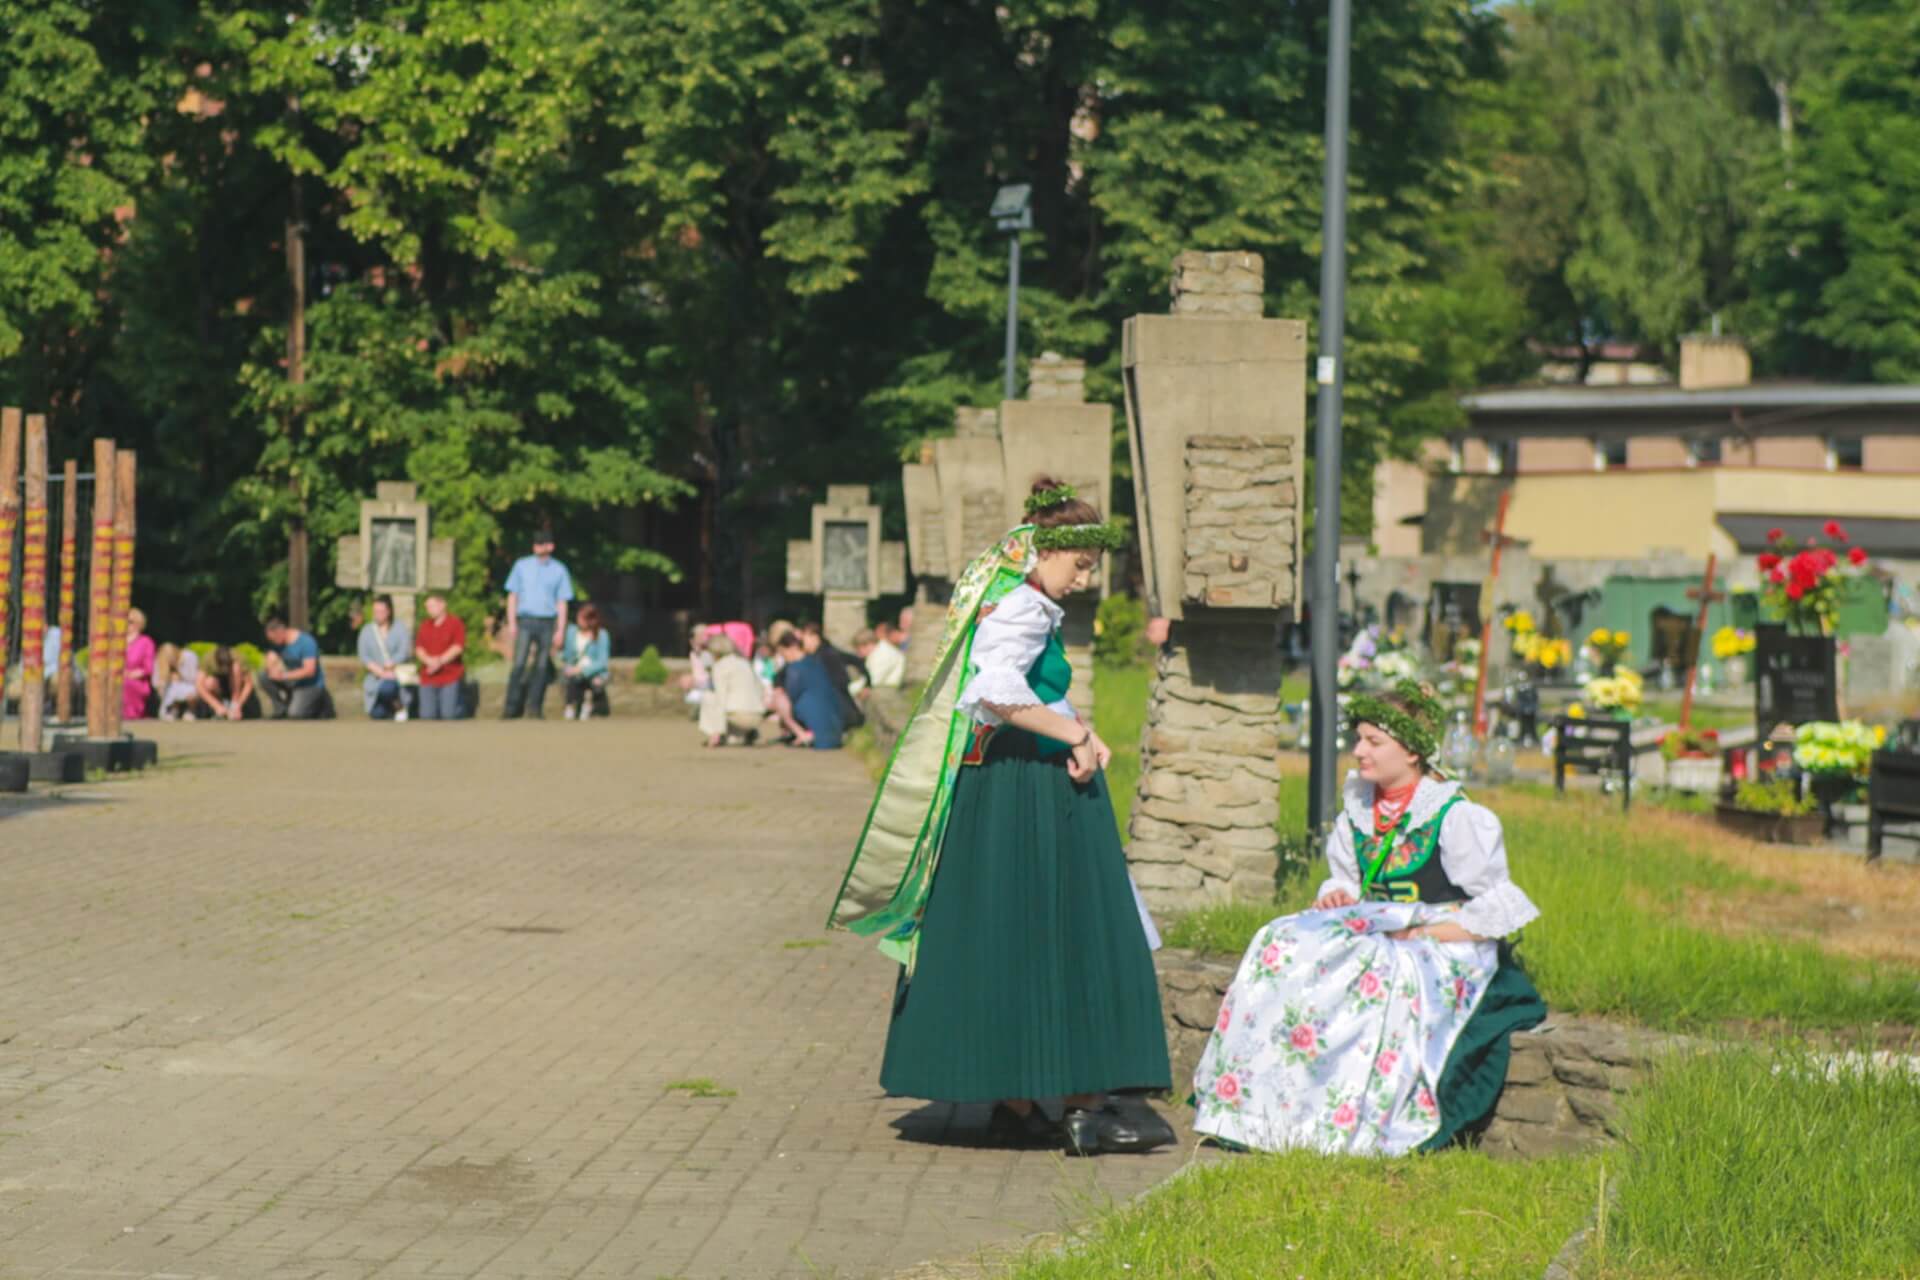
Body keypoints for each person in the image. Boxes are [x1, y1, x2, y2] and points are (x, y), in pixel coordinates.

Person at [828, 477, 1171, 1156]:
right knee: (1067, 927)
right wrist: (1069, 736)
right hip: (1027, 790)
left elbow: (1025, 691)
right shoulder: (1023, 606)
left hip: (1006, 782)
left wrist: (1082, 730)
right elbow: (994, 691)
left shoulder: (1011, 598)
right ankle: (1081, 1101)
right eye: (1079, 566)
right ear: (1045, 554)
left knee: (1014, 927)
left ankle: (1019, 1102)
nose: (1083, 580)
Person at [1189, 680, 1547, 1156]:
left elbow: (1496, 910)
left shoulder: (1455, 817)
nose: (1358, 751)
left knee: (1381, 972)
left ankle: (1353, 1116)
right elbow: (1348, 880)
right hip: (1380, 927)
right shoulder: (1360, 805)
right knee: (1280, 941)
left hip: (1443, 938)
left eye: (1374, 742)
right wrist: (1338, 896)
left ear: (1413, 752)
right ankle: (1265, 1105)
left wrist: (1420, 932)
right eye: (1357, 738)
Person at [501, 530, 573, 719]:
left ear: (551, 546)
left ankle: (535, 708)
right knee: (518, 664)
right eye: (536, 543)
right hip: (525, 620)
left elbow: (562, 601)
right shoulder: (521, 566)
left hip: (547, 621)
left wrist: (561, 629)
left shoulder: (559, 570)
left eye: (543, 543)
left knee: (541, 667)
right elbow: (512, 596)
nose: (539, 547)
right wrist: (512, 623)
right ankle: (511, 708)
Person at [769, 631, 844, 748]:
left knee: (779, 697)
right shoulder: (815, 662)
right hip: (834, 728)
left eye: (783, 653)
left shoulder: (795, 669)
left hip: (818, 731)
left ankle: (802, 734)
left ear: (792, 648)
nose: (784, 657)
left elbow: (791, 695)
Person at [699, 633, 767, 746]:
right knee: (732, 738)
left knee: (709, 697)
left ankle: (716, 736)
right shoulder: (745, 662)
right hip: (758, 715)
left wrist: (716, 731)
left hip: (738, 716)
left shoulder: (719, 666)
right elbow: (760, 688)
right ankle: (748, 733)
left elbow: (721, 699)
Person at [261, 616, 334, 719]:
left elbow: (310, 671)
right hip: (294, 681)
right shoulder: (279, 644)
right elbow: (270, 661)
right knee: (264, 676)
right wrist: (271, 665)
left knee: (295, 714)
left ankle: (320, 704)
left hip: (310, 685)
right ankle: (280, 709)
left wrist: (284, 676)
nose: (273, 642)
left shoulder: (306, 642)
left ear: (280, 632)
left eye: (273, 639)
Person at [356, 595, 413, 721]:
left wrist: (391, 665)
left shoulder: (400, 628)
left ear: (389, 611)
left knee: (388, 688)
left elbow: (404, 651)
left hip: (396, 674)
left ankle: (398, 705)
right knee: (377, 714)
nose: (377, 615)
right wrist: (380, 672)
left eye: (381, 611)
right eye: (375, 611)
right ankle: (390, 709)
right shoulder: (367, 630)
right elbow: (364, 655)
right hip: (375, 676)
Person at [414, 593, 467, 720]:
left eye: (432, 606)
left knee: (448, 715)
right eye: (427, 607)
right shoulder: (425, 625)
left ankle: (460, 706)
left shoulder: (455, 623)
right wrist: (428, 660)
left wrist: (439, 661)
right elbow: (419, 648)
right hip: (428, 676)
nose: (429, 610)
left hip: (450, 675)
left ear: (442, 605)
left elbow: (458, 647)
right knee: (427, 716)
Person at [560, 604, 612, 720]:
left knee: (595, 681)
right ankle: (570, 707)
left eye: (581, 618)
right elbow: (567, 655)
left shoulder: (602, 635)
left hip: (594, 671)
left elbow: (602, 661)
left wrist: (583, 670)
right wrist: (567, 666)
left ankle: (590, 705)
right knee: (571, 678)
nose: (578, 620)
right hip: (574, 669)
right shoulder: (572, 631)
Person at [195, 646, 260, 721]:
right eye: (222, 666)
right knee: (209, 682)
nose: (225, 670)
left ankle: (233, 704)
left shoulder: (238, 658)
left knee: (236, 668)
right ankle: (221, 708)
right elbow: (199, 685)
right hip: (218, 686)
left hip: (236, 685)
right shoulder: (208, 658)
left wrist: (238, 705)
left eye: (227, 666)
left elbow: (249, 684)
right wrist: (217, 706)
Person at [123, 607, 157, 720]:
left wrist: (132, 674)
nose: (126, 624)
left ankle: (131, 715)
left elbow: (148, 668)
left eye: (130, 622)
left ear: (139, 624)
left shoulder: (146, 642)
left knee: (125, 683)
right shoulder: (117, 642)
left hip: (138, 681)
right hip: (119, 676)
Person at [155, 644, 201, 720]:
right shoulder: (159, 660)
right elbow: (156, 682)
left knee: (189, 692)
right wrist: (165, 680)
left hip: (190, 685)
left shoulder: (189, 656)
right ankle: (172, 710)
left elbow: (193, 678)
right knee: (170, 688)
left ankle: (190, 710)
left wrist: (178, 671)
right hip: (170, 688)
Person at [854, 625, 906, 690]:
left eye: (858, 650)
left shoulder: (883, 654)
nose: (858, 654)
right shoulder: (879, 652)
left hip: (891, 691)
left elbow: (872, 681)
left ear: (867, 645)